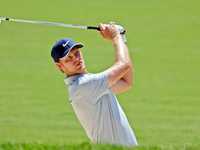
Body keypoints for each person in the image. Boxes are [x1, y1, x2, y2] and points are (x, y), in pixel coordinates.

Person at [51, 22, 138, 146]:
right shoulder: (83, 86)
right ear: (60, 66)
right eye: (68, 57)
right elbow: (124, 65)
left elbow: (126, 82)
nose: (76, 58)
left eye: (76, 53)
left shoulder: (90, 84)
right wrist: (115, 36)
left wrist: (121, 38)